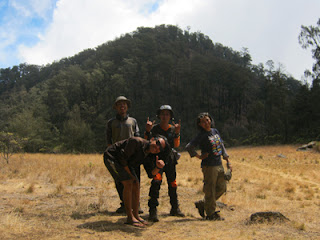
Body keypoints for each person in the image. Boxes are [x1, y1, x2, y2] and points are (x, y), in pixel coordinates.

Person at [103, 136, 168, 228]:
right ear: (152, 139)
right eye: (157, 143)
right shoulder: (136, 142)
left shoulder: (149, 155)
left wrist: (158, 167)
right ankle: (130, 217)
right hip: (112, 157)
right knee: (128, 183)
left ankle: (136, 215)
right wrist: (130, 175)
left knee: (136, 184)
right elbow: (122, 157)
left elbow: (150, 174)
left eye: (160, 148)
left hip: (126, 163)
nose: (157, 148)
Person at [185, 112, 232, 221]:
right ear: (200, 124)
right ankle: (211, 214)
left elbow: (221, 145)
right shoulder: (201, 136)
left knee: (222, 187)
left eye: (207, 120)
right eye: (203, 122)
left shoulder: (215, 131)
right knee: (210, 190)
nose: (206, 123)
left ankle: (203, 203)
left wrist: (227, 159)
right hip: (209, 166)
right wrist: (199, 156)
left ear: (210, 120)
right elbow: (189, 147)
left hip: (219, 164)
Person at [144, 105, 185, 222]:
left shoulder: (173, 129)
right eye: (163, 114)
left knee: (172, 183)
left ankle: (175, 208)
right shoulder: (154, 129)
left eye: (167, 114)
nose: (165, 116)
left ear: (170, 116)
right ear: (159, 116)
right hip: (157, 160)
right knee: (156, 182)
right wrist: (147, 130)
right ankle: (152, 211)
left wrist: (177, 133)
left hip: (170, 160)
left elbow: (176, 145)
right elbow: (147, 142)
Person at [106, 96, 140, 214]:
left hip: (132, 155)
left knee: (135, 179)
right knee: (120, 181)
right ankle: (124, 204)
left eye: (124, 104)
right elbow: (108, 140)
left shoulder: (133, 121)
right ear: (115, 107)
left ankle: (136, 205)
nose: (122, 106)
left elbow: (137, 136)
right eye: (119, 104)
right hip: (117, 156)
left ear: (127, 106)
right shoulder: (111, 123)